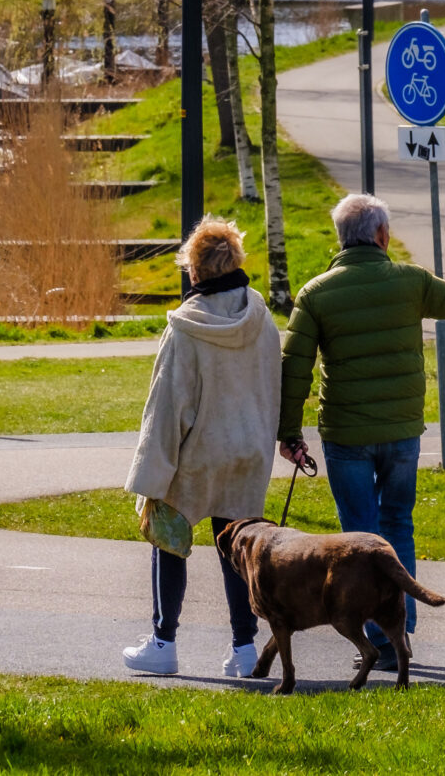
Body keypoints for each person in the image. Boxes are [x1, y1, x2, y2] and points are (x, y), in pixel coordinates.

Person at [276, 193, 445, 672]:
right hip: (401, 433)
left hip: (346, 434)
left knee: (358, 536)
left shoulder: (316, 293)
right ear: (382, 235)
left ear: (340, 238)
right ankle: (398, 635)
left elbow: (295, 369)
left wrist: (289, 432)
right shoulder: (409, 281)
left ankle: (373, 637)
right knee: (397, 528)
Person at [121, 217, 284, 679]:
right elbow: (273, 382)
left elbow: (167, 406)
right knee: (237, 545)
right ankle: (244, 647)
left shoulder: (186, 329)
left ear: (193, 271)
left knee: (169, 539)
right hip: (248, 450)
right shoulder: (261, 318)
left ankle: (163, 641)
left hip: (198, 452)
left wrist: (152, 474)